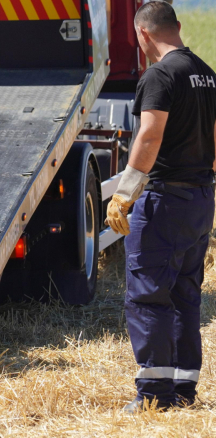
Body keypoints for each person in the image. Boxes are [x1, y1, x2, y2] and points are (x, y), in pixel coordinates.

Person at [106, 0, 216, 413]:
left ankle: (154, 395)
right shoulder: (207, 74)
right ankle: (184, 390)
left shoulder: (159, 75)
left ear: (143, 34)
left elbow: (150, 136)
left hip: (166, 201)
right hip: (201, 199)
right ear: (179, 27)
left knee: (149, 295)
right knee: (186, 295)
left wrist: (125, 190)